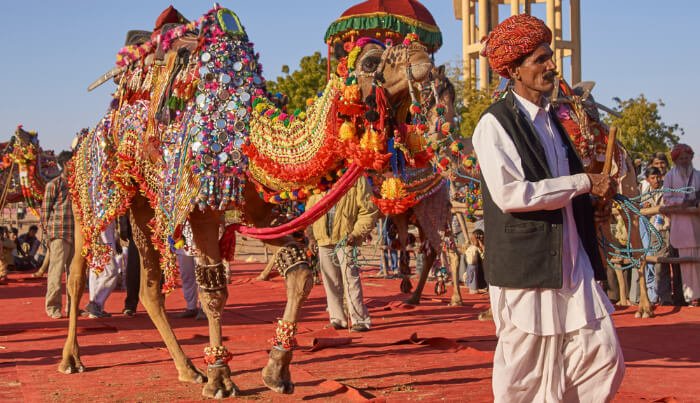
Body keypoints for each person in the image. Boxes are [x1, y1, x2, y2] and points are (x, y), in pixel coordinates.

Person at [474, 14, 624, 401]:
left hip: (572, 262)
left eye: (550, 56)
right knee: (525, 376)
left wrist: (593, 197)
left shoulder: (556, 123)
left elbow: (565, 192)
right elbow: (511, 195)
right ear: (514, 70)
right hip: (527, 267)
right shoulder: (494, 125)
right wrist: (582, 182)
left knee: (602, 358)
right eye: (540, 59)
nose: (551, 66)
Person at [306, 175, 378, 332]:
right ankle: (337, 318)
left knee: (350, 278)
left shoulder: (356, 178)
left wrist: (357, 233)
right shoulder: (318, 178)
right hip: (323, 239)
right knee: (330, 280)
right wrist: (311, 236)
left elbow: (369, 210)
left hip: (347, 239)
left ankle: (359, 319)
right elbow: (310, 211)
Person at [663, 143, 700, 306]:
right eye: (681, 158)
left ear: (691, 158)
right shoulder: (670, 176)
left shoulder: (698, 175)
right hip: (681, 226)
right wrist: (683, 202)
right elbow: (666, 198)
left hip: (697, 224)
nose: (685, 160)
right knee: (686, 264)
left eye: (687, 157)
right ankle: (692, 297)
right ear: (676, 160)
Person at [41, 158, 75, 319]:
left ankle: (72, 307)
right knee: (56, 272)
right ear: (65, 164)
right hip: (58, 233)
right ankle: (53, 307)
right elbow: (45, 212)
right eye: (70, 162)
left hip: (75, 234)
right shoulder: (54, 185)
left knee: (74, 274)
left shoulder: (77, 185)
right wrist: (45, 235)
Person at [85, 221, 120, 318]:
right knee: (111, 273)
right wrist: (111, 249)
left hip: (97, 242)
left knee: (95, 272)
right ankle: (95, 304)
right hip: (104, 244)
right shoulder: (104, 209)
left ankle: (95, 308)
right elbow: (104, 230)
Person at [464, 229, 486, 293]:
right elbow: (471, 261)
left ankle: (481, 286)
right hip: (474, 269)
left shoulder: (483, 246)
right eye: (472, 240)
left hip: (483, 270)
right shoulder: (473, 248)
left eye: (474, 240)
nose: (473, 242)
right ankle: (473, 287)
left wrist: (481, 244)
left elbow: (485, 255)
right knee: (472, 266)